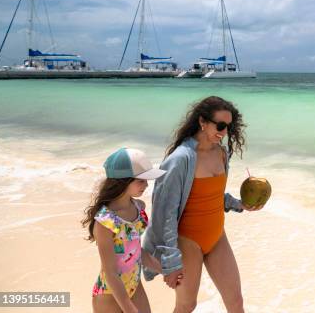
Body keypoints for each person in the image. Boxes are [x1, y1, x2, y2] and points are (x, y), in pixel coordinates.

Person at [143, 96, 263, 313]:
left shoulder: (221, 153)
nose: (224, 131)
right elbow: (164, 213)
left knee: (236, 302)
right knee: (187, 305)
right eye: (220, 125)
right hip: (188, 241)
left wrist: (239, 204)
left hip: (217, 236)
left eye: (228, 127)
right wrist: (170, 261)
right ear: (202, 122)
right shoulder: (181, 159)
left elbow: (212, 195)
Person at [82, 147, 166, 313]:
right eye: (141, 180)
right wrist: (129, 309)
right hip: (109, 295)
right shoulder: (105, 222)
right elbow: (111, 273)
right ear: (123, 181)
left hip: (134, 285)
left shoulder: (138, 207)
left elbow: (136, 252)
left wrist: (165, 270)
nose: (147, 184)